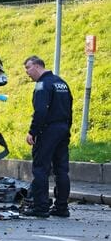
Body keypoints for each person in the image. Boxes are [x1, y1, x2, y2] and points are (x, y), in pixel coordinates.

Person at [23, 56, 73, 218]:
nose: (27, 73)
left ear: (37, 66)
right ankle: (61, 207)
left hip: (48, 130)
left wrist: (33, 131)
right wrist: (66, 129)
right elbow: (70, 107)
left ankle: (41, 207)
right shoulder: (62, 83)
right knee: (61, 170)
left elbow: (41, 110)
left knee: (40, 168)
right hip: (63, 129)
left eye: (28, 68)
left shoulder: (43, 85)